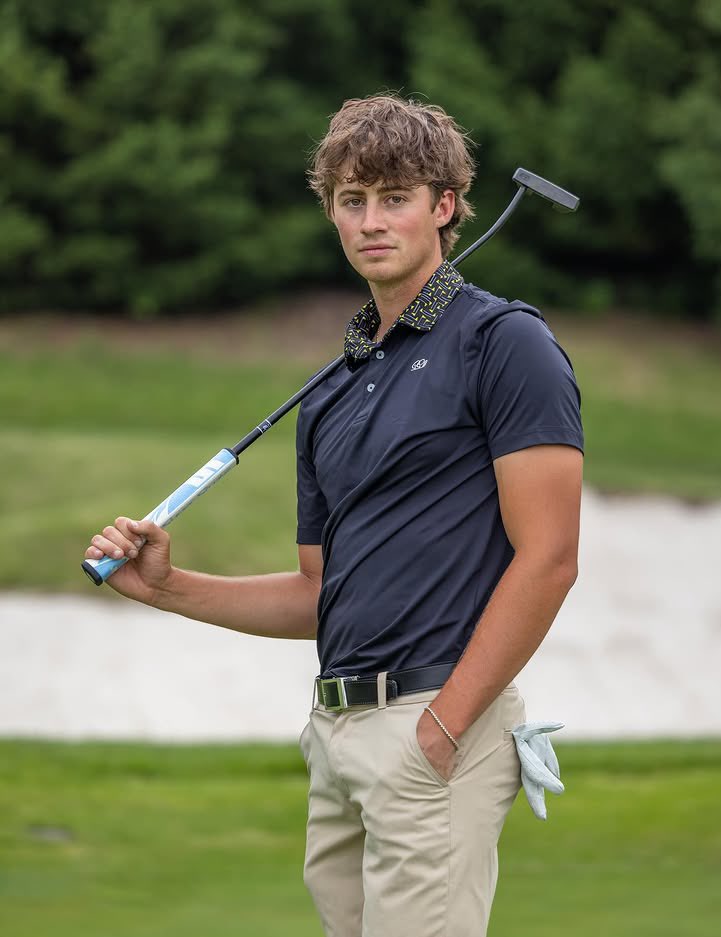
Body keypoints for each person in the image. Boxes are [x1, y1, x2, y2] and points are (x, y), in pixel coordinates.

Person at [84, 93, 584, 937]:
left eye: (395, 196)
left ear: (445, 205)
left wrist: (444, 725)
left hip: (433, 726)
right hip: (337, 735)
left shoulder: (503, 344)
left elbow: (550, 557)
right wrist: (166, 587)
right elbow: (321, 593)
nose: (371, 220)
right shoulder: (331, 392)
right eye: (351, 200)